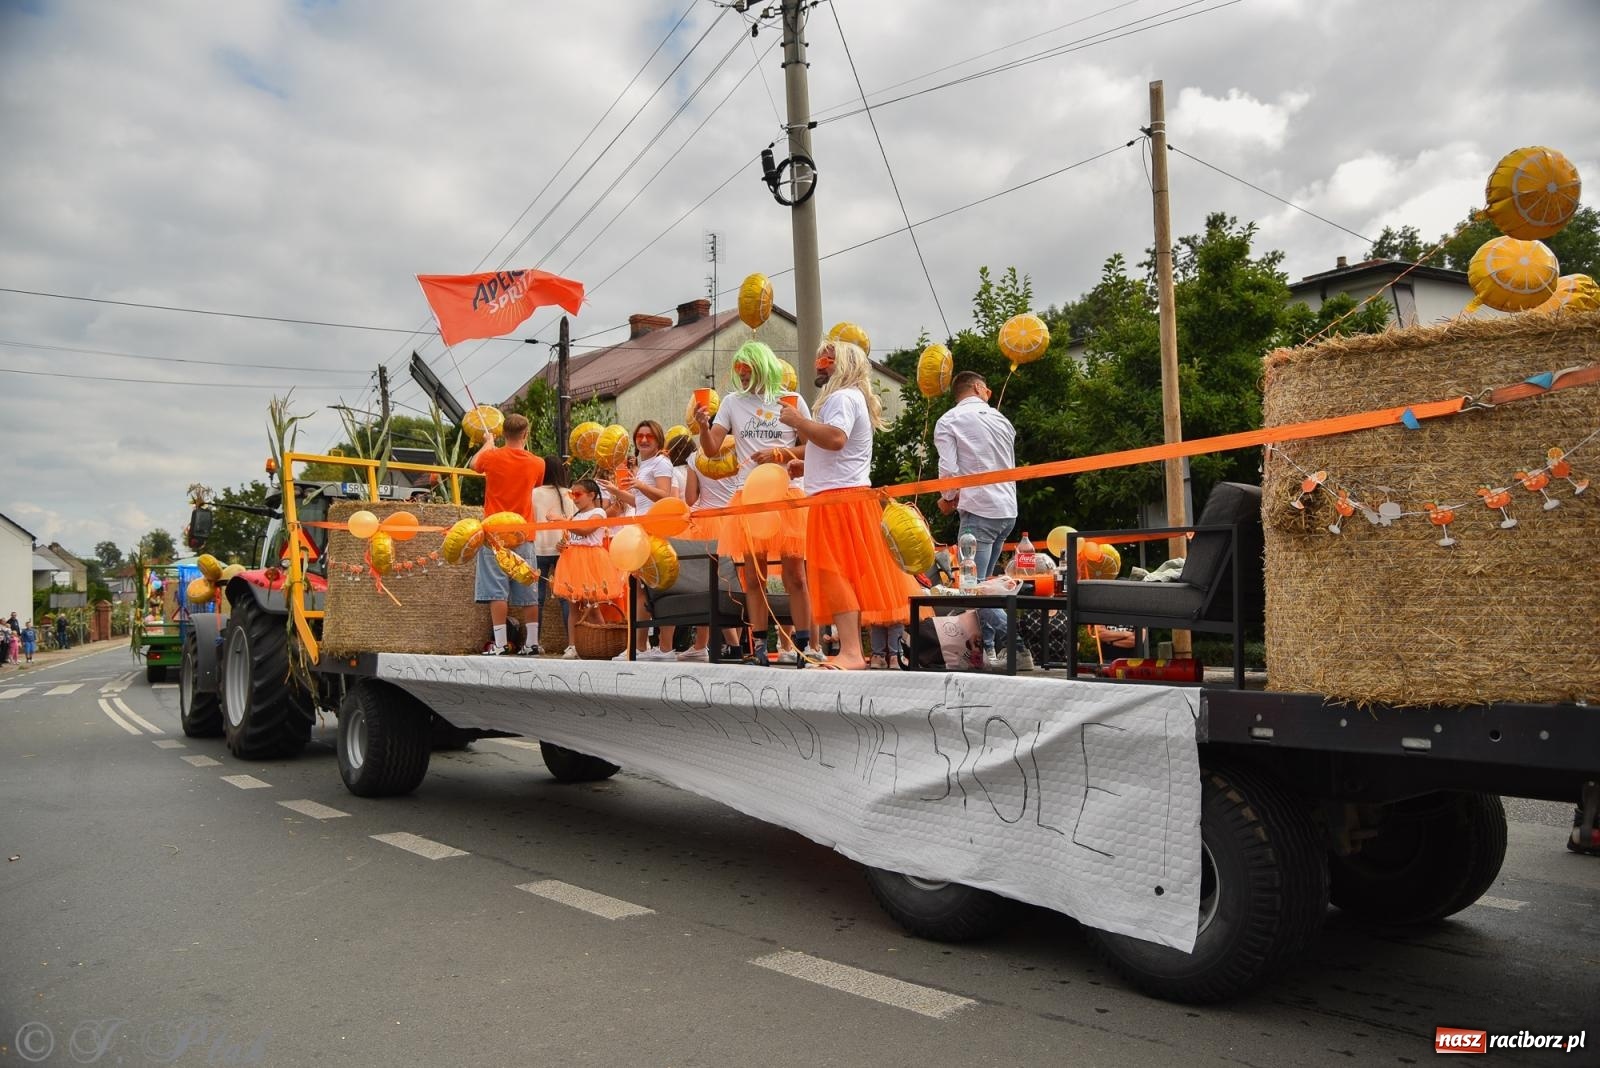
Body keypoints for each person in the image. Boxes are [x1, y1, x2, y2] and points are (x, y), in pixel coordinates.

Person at [778, 339, 903, 670]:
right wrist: (807, 465)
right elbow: (840, 448)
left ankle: (851, 651)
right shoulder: (850, 397)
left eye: (828, 358)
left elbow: (835, 439)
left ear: (844, 364)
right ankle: (852, 649)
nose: (820, 362)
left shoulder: (842, 397)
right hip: (845, 496)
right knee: (843, 575)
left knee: (836, 575)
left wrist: (797, 422)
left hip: (837, 500)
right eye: (820, 356)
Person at [699, 341, 813, 665]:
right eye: (738, 368)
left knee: (796, 574)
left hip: (787, 492)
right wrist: (702, 426)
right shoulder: (733, 402)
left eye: (746, 366)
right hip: (747, 495)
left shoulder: (791, 401)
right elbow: (711, 449)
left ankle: (803, 646)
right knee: (754, 575)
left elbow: (813, 447)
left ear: (763, 365)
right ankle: (760, 647)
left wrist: (780, 453)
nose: (741, 372)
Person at [933, 369, 1030, 670]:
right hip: (1006, 511)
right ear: (977, 388)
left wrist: (948, 498)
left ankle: (1018, 645)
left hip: (979, 511)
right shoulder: (1002, 420)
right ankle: (987, 652)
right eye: (987, 388)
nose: (989, 393)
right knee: (985, 586)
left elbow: (948, 469)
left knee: (973, 591)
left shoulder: (949, 421)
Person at [598, 420, 678, 662]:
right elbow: (638, 502)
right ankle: (641, 647)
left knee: (660, 590)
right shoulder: (646, 465)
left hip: (656, 531)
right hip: (643, 530)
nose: (643, 440)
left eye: (649, 436)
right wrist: (616, 491)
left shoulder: (661, 463)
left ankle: (664, 649)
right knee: (640, 591)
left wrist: (639, 484)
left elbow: (665, 497)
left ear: (658, 439)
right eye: (640, 436)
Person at [470, 413, 546, 656]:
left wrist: (488, 442)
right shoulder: (537, 463)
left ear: (504, 433)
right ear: (526, 434)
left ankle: (501, 644)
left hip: (494, 533)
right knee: (528, 588)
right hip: (523, 532)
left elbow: (474, 465)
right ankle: (532, 642)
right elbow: (535, 485)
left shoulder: (492, 456)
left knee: (496, 590)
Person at [552, 477, 626, 659]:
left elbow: (585, 530)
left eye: (577, 494)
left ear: (591, 495)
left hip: (590, 562)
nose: (574, 498)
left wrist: (561, 521)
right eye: (572, 494)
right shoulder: (575, 516)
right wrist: (562, 545)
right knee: (573, 607)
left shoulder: (599, 512)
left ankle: (601, 638)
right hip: (573, 561)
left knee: (592, 605)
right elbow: (573, 536)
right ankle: (573, 645)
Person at [531, 453, 576, 645]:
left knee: (536, 599)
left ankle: (535, 643)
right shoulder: (570, 494)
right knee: (565, 598)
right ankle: (571, 644)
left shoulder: (534, 493)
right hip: (563, 550)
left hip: (538, 548)